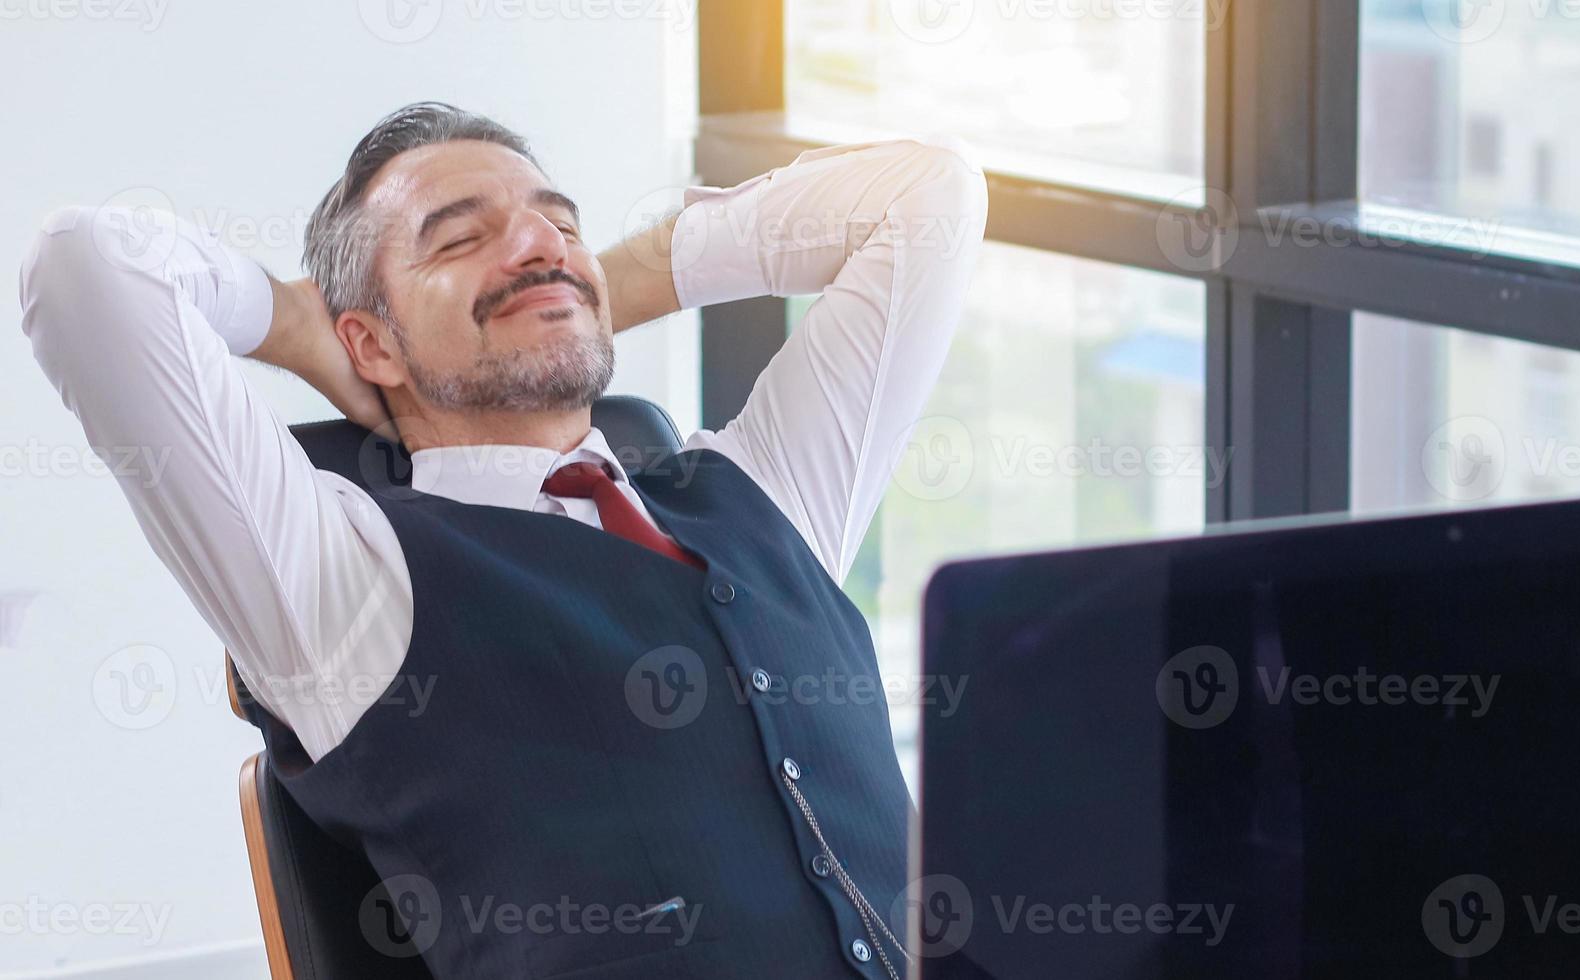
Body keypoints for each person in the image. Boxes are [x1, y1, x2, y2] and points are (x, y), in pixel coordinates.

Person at [19, 101, 987, 979]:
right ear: (372, 342)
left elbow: (923, 196)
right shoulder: (335, 575)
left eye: (556, 221)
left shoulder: (772, 489)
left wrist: (586, 282)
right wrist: (299, 325)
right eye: (461, 239)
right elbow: (86, 263)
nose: (533, 240)